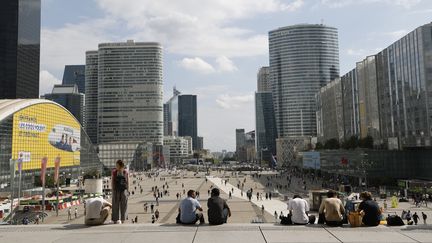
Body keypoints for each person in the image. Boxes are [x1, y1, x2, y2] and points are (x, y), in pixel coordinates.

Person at [111, 159, 129, 224]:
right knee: (122, 205)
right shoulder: (125, 172)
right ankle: (120, 219)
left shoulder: (115, 172)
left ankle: (118, 219)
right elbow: (127, 181)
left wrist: (113, 190)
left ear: (120, 165)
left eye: (117, 165)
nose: (116, 166)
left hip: (118, 190)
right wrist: (127, 190)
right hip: (121, 190)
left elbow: (113, 181)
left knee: (117, 205)